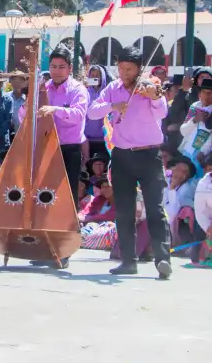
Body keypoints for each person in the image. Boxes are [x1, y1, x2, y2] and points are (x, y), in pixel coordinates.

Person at [87, 46, 172, 279]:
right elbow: (93, 112)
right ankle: (128, 260)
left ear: (139, 69)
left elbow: (162, 112)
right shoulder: (112, 89)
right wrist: (112, 107)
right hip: (122, 155)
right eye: (122, 68)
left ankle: (163, 258)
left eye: (130, 69)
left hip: (149, 155)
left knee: (154, 208)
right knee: (124, 210)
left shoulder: (148, 86)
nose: (125, 73)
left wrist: (154, 95)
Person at [18, 44, 89, 207]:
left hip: (68, 149)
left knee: (67, 196)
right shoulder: (42, 89)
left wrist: (56, 110)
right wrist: (27, 105)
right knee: (42, 194)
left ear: (70, 68)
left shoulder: (78, 90)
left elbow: (78, 115)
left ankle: (68, 230)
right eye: (53, 66)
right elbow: (23, 119)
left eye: (62, 67)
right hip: (44, 148)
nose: (57, 71)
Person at [178, 77, 212, 176]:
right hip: (188, 151)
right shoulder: (195, 107)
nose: (206, 95)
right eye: (204, 92)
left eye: (210, 93)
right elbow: (183, 131)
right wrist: (195, 120)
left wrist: (203, 152)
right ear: (199, 94)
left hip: (205, 156)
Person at [163, 156, 198, 247]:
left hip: (170, 225)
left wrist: (172, 189)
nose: (180, 174)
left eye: (185, 172)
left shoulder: (185, 188)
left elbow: (172, 213)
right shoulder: (161, 181)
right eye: (178, 169)